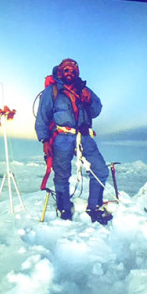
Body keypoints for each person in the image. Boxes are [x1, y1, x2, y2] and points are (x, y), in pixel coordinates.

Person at [34, 57, 112, 224]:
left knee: (100, 169)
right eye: (66, 70)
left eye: (73, 70)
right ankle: (64, 209)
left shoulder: (84, 89)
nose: (69, 72)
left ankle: (94, 207)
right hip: (61, 137)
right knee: (62, 174)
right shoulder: (52, 91)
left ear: (77, 73)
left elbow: (96, 111)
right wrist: (45, 140)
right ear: (60, 72)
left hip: (84, 135)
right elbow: (42, 116)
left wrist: (88, 101)